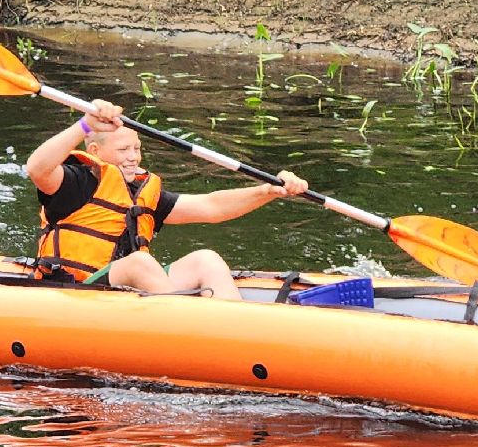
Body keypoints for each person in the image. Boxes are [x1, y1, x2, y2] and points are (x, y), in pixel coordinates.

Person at [25, 99, 308, 299]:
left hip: (123, 293)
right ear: (96, 150)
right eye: (124, 149)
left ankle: (234, 328)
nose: (133, 157)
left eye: (137, 148)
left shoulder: (141, 193)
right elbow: (37, 168)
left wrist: (267, 191)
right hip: (78, 292)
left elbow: (212, 207)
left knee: (205, 259)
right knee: (140, 262)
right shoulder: (75, 183)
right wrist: (84, 125)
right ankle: (192, 328)